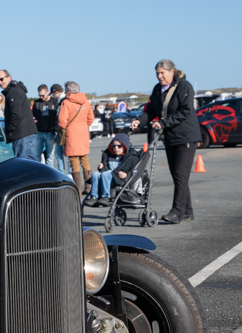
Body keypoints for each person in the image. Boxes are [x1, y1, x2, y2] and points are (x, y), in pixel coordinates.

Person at [135, 59, 200, 224]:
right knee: (178, 176)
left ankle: (177, 212)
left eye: (162, 73)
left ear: (172, 72)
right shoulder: (157, 89)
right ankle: (187, 211)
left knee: (180, 175)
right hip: (170, 137)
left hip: (186, 136)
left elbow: (186, 111)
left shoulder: (184, 87)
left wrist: (163, 123)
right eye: (157, 73)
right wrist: (139, 121)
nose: (159, 76)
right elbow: (151, 110)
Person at [57, 81, 95, 194]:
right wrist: (83, 126)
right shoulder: (86, 101)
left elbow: (62, 121)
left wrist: (64, 128)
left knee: (74, 162)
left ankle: (78, 189)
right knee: (84, 159)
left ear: (70, 91)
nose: (64, 92)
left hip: (71, 134)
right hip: (83, 133)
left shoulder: (66, 102)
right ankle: (89, 187)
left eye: (65, 90)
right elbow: (91, 118)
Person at [85, 134, 140, 207]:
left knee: (105, 174)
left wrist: (126, 173)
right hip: (107, 176)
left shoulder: (131, 157)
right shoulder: (109, 155)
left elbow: (135, 170)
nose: (116, 148)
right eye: (113, 146)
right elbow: (105, 168)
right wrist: (101, 167)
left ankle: (106, 197)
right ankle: (94, 197)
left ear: (125, 146)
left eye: (119, 146)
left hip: (117, 178)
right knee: (95, 174)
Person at [0, 70, 37, 160]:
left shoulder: (13, 92)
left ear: (9, 78)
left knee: (22, 163)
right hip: (26, 133)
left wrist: (9, 129)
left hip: (22, 134)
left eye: (1, 79)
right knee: (31, 163)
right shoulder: (14, 90)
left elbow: (16, 114)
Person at [32, 84, 61, 168]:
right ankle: (37, 172)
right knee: (36, 155)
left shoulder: (55, 101)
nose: (41, 97)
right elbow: (32, 115)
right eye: (39, 95)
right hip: (39, 132)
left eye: (43, 95)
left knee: (50, 156)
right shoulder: (37, 103)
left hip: (51, 132)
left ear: (48, 92)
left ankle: (49, 172)